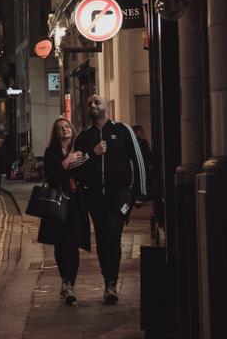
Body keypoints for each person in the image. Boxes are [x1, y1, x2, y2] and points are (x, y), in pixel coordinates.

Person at [70, 94, 147, 304]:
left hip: (119, 194)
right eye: (89, 104)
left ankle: (112, 283)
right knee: (103, 238)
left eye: (97, 102)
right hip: (94, 196)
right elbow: (72, 167)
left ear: (106, 106)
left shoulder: (122, 130)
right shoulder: (83, 138)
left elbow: (138, 160)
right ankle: (108, 281)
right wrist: (92, 154)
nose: (93, 105)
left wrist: (140, 192)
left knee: (113, 233)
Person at [39, 118, 91, 305]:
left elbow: (85, 173)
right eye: (60, 128)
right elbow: (50, 174)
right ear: (56, 133)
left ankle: (69, 284)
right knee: (60, 244)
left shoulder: (79, 149)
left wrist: (71, 162)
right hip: (57, 202)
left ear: (72, 129)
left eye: (67, 127)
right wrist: (66, 162)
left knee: (72, 242)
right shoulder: (50, 152)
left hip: (76, 202)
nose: (64, 130)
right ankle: (64, 279)